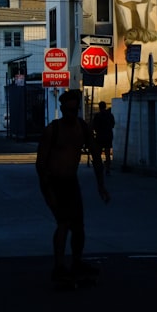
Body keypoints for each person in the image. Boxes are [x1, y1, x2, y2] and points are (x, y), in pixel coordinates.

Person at [35, 89, 110, 283]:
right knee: (64, 223)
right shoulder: (53, 130)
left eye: (74, 110)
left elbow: (95, 156)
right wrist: (47, 189)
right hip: (54, 181)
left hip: (70, 182)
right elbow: (41, 163)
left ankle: (76, 262)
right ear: (61, 110)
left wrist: (101, 186)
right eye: (67, 111)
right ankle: (59, 266)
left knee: (78, 226)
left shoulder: (82, 128)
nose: (71, 114)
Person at [91, 101, 116, 174]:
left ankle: (100, 167)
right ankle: (107, 168)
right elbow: (113, 124)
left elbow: (94, 126)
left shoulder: (97, 116)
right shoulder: (110, 115)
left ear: (99, 107)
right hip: (108, 136)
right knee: (107, 153)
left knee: (98, 153)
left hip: (100, 136)